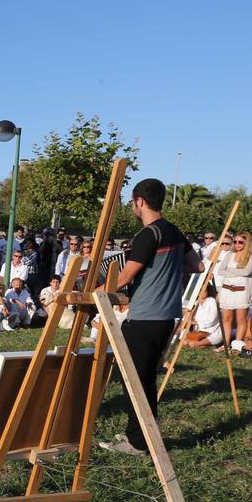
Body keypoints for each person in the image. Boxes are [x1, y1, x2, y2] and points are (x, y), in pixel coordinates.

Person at [101, 178, 202, 456]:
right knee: (143, 378)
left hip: (145, 315)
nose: (133, 206)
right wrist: (165, 269)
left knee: (134, 379)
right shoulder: (173, 231)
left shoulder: (149, 233)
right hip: (166, 317)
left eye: (132, 202)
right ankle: (141, 433)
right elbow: (197, 265)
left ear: (140, 202)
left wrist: (93, 292)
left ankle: (138, 441)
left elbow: (125, 276)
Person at [217, 232, 252, 344]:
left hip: (242, 291)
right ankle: (226, 344)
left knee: (241, 319)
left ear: (247, 243)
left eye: (240, 242)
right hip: (226, 289)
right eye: (235, 242)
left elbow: (247, 271)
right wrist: (234, 273)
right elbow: (220, 270)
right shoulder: (229, 254)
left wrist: (229, 270)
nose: (237, 244)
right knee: (226, 319)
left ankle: (237, 343)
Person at [184, 282, 224, 349]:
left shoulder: (211, 301)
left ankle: (199, 344)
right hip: (198, 331)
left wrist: (196, 323)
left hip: (212, 331)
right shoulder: (196, 303)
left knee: (190, 343)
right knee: (184, 341)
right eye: (200, 290)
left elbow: (211, 321)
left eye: (204, 290)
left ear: (207, 290)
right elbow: (189, 319)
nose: (202, 292)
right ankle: (197, 343)